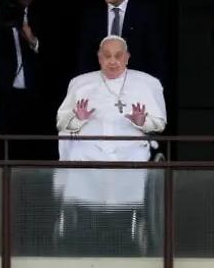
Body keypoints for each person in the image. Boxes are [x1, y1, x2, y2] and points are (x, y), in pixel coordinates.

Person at [55, 35, 166, 206]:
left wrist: (142, 121)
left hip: (130, 150)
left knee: (137, 158)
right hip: (89, 150)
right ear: (99, 58)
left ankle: (131, 212)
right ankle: (77, 210)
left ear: (127, 58)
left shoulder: (147, 83)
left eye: (118, 55)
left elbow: (160, 123)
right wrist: (78, 119)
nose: (112, 61)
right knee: (76, 154)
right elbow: (61, 121)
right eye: (107, 56)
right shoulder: (80, 83)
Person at [76, 0, 165, 82]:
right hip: (100, 89)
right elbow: (84, 60)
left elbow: (156, 60)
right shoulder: (92, 15)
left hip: (136, 89)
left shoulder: (146, 14)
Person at [0, 0, 43, 158]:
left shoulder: (40, 16)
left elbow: (56, 57)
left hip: (33, 98)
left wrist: (32, 40)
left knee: (30, 152)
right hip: (4, 95)